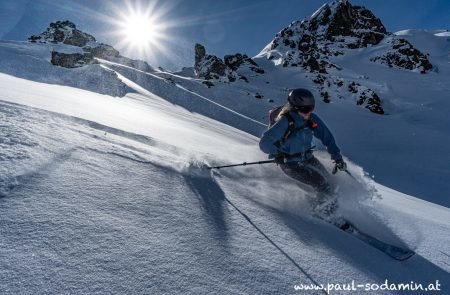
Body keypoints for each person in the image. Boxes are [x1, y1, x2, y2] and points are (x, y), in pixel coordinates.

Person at [259, 88, 347, 204]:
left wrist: (337, 158)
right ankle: (324, 211)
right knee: (322, 184)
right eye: (305, 110)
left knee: (332, 182)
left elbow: (327, 138)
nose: (308, 112)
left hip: (308, 158)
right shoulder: (285, 121)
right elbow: (264, 143)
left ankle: (335, 207)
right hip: (290, 164)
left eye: (311, 108)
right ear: (295, 108)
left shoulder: (312, 119)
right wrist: (278, 154)